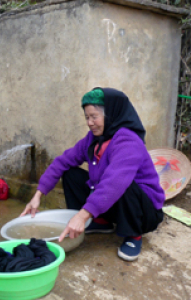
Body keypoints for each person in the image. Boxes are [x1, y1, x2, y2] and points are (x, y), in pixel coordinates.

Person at [20, 88, 165, 261]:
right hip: (114, 204)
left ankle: (133, 235)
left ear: (111, 114)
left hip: (142, 212)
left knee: (122, 184)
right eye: (87, 118)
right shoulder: (93, 139)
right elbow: (62, 161)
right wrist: (38, 194)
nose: (89, 123)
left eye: (94, 117)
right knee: (71, 173)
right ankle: (101, 222)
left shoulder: (128, 141)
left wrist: (82, 215)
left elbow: (114, 183)